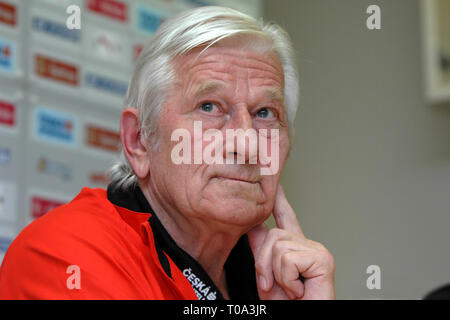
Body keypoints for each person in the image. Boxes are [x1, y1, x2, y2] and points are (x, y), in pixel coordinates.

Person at [0, 6, 335, 300]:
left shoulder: (271, 274)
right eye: (209, 107)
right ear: (139, 141)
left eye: (265, 113)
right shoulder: (66, 254)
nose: (246, 142)